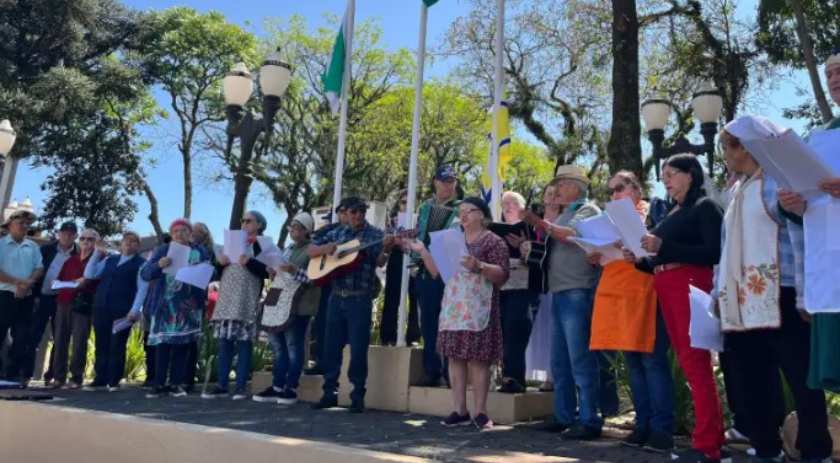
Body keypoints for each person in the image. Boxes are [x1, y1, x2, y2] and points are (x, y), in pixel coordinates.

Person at [716, 116, 832, 463]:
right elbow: (726, 247)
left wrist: (803, 293)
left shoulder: (777, 183)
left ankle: (815, 452)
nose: (723, 155)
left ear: (744, 147)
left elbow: (799, 235)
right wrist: (716, 293)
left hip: (780, 292)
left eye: (726, 147)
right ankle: (766, 448)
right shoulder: (737, 190)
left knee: (801, 380)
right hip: (741, 299)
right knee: (750, 380)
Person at [624, 153, 726, 463]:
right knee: (686, 362)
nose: (666, 179)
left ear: (691, 173)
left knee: (696, 364)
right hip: (666, 283)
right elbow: (662, 257)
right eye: (663, 174)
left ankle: (708, 444)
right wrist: (642, 261)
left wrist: (662, 247)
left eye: (672, 173)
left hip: (691, 284)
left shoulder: (705, 206)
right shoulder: (672, 212)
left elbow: (712, 251)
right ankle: (706, 438)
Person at [587, 171, 675, 451]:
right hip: (621, 297)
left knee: (652, 362)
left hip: (649, 294)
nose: (615, 194)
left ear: (637, 188)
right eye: (611, 191)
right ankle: (643, 424)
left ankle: (662, 429)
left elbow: (662, 249)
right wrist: (596, 254)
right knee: (634, 364)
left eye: (620, 188)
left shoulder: (654, 213)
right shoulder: (607, 222)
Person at [410, 197, 509, 429]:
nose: (462, 216)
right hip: (455, 305)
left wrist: (479, 265)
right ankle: (460, 409)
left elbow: (502, 275)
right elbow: (437, 273)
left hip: (479, 307)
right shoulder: (450, 239)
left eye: (468, 211)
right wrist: (423, 251)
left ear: (482, 215)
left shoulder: (493, 242)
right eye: (460, 211)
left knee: (478, 358)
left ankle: (481, 412)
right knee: (454, 357)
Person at [778, 50, 840, 394]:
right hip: (832, 269)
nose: (834, 79)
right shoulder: (820, 136)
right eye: (829, 74)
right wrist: (794, 204)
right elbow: (813, 205)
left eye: (839, 72)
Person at [308, 197, 393, 413]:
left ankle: (357, 395)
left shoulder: (375, 234)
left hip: (359, 298)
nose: (357, 216)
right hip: (336, 296)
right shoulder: (338, 233)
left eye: (361, 212)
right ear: (346, 212)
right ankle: (329, 392)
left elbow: (380, 262)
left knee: (358, 347)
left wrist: (387, 249)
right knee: (331, 346)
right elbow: (310, 250)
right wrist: (325, 248)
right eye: (353, 212)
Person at [539, 165, 603, 440]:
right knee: (560, 360)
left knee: (579, 357)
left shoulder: (588, 210)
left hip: (578, 290)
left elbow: (570, 235)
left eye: (561, 185)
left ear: (575, 187)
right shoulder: (565, 213)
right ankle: (564, 415)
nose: (557, 190)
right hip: (560, 291)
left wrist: (541, 222)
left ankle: (589, 419)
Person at [254, 213, 320, 405]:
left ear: (306, 230)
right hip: (280, 300)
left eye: (296, 227)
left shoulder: (312, 250)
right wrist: (273, 270)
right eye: (290, 227)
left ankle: (290, 387)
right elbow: (282, 275)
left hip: (299, 305)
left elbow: (315, 278)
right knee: (278, 346)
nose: (291, 230)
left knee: (293, 345)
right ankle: (277, 386)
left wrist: (295, 271)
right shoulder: (288, 249)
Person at [203, 211, 270, 400]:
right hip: (226, 300)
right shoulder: (231, 243)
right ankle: (222, 385)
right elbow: (217, 273)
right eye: (243, 220)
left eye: (248, 221)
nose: (244, 224)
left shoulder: (262, 245)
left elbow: (268, 271)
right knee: (224, 344)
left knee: (243, 344)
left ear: (259, 224)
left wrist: (250, 262)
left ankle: (240, 386)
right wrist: (220, 263)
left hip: (246, 300)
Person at [142, 219, 209, 398]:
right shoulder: (162, 250)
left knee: (183, 345)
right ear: (171, 234)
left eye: (184, 231)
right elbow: (145, 273)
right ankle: (159, 384)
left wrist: (201, 269)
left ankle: (177, 384)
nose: (180, 234)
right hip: (165, 304)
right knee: (163, 344)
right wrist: (159, 265)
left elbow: (212, 273)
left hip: (189, 305)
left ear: (190, 233)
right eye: (176, 231)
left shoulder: (199, 251)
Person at [413, 166, 461, 387]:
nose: (449, 186)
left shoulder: (461, 209)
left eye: (452, 182)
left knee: (450, 323)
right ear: (435, 182)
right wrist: (413, 248)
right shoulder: (424, 208)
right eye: (445, 182)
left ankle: (451, 372)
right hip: (424, 270)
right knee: (429, 322)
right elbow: (418, 233)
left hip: (450, 272)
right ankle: (431, 370)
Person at [83, 231, 146, 392]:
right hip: (102, 306)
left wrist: (135, 309)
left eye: (133, 241)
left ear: (138, 246)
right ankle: (100, 377)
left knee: (117, 343)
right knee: (101, 342)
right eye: (126, 240)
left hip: (122, 310)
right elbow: (89, 274)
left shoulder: (141, 263)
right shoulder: (110, 259)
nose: (129, 243)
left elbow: (142, 288)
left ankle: (113, 379)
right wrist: (97, 252)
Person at [24, 221, 78, 386]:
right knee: (33, 336)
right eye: (64, 232)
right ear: (59, 234)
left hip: (63, 300)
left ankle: (52, 375)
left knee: (61, 338)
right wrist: (34, 295)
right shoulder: (46, 250)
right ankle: (25, 374)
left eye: (70, 233)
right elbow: (35, 270)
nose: (67, 236)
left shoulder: (78, 253)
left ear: (75, 235)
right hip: (43, 297)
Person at [495, 191, 534, 393]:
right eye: (504, 204)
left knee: (515, 327)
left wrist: (522, 247)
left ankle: (514, 377)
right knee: (500, 330)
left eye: (513, 203)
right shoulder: (495, 230)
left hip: (523, 285)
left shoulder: (532, 228)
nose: (508, 206)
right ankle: (503, 375)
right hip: (499, 285)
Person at [51, 228, 99, 389]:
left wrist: (84, 281)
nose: (86, 241)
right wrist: (55, 283)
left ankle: (76, 378)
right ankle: (58, 377)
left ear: (96, 242)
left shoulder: (100, 258)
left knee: (79, 340)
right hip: (64, 301)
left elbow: (94, 279)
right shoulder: (71, 260)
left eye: (90, 239)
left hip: (83, 303)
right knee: (60, 339)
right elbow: (59, 280)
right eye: (84, 238)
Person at [0, 209, 44, 383]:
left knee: (22, 337)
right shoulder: (2, 244)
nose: (25, 226)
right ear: (10, 224)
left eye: (28, 224)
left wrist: (29, 283)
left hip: (25, 297)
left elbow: (39, 268)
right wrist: (18, 282)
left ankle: (13, 375)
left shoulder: (32, 246)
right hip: (4, 294)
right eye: (21, 223)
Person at [306, 201, 349, 375]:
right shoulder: (329, 230)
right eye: (344, 212)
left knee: (344, 325)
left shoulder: (360, 232)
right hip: (327, 282)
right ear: (338, 214)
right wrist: (325, 248)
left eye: (351, 211)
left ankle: (340, 364)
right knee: (322, 322)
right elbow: (311, 246)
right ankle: (320, 362)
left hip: (348, 285)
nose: (348, 215)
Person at [524, 183, 559, 391]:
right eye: (549, 193)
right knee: (543, 329)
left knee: (557, 329)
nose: (553, 197)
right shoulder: (534, 225)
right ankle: (547, 374)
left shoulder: (564, 222)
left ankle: (557, 376)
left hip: (558, 281)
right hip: (540, 283)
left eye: (556, 194)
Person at [380, 189, 421, 346]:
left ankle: (414, 337)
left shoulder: (420, 220)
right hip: (397, 258)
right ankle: (388, 336)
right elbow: (388, 238)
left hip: (414, 257)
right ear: (399, 203)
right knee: (392, 297)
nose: (406, 205)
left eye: (410, 202)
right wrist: (396, 240)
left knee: (415, 297)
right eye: (404, 202)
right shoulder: (392, 221)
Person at [184, 222, 216, 392]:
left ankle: (188, 379)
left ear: (205, 234)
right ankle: (176, 377)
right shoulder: (183, 249)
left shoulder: (208, 252)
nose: (193, 234)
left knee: (192, 339)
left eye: (197, 231)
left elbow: (214, 274)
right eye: (191, 231)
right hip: (180, 299)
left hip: (198, 299)